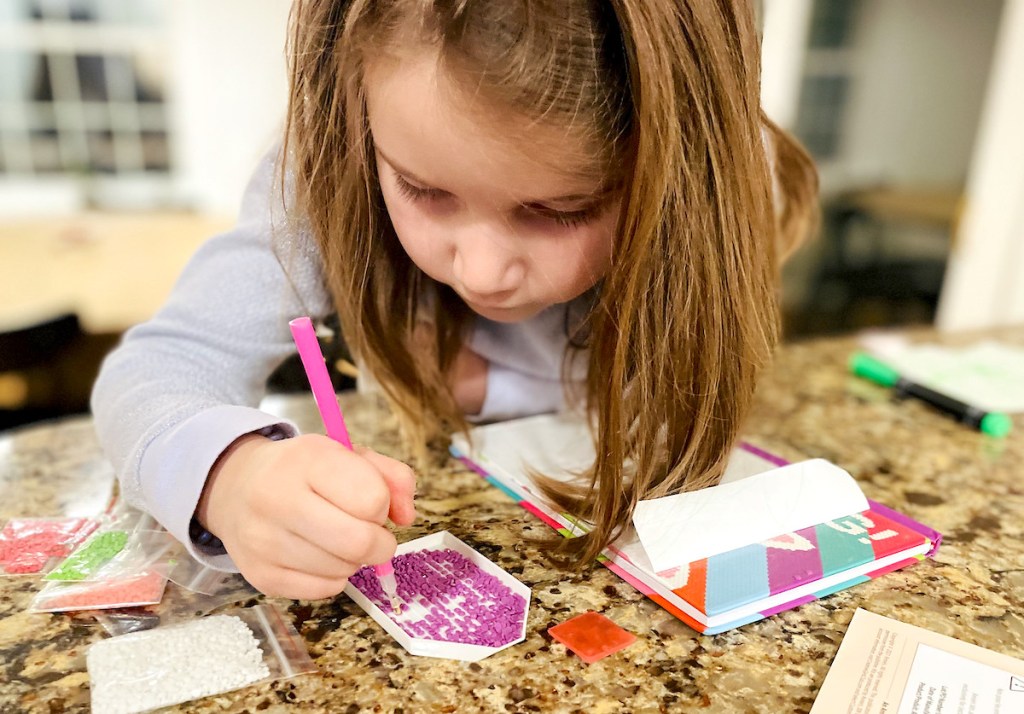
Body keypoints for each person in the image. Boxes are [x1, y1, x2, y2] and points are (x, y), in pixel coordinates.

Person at [92, 0, 817, 601]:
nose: (484, 270)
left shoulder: (727, 180)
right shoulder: (315, 177)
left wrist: (482, 378)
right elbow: (161, 367)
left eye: (560, 210)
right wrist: (229, 476)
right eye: (423, 190)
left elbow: (671, 377)